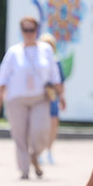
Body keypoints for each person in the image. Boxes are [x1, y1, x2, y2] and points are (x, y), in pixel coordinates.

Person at [0, 16, 61, 179]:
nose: (29, 33)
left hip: (40, 97)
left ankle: (34, 154)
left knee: (41, 131)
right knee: (19, 134)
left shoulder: (46, 49)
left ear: (37, 31)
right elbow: (3, 77)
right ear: (21, 31)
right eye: (25, 30)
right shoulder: (13, 51)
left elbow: (54, 75)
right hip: (17, 98)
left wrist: (61, 96)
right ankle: (24, 170)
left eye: (31, 29)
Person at [38, 33, 67, 165]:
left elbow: (60, 82)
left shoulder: (56, 62)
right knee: (39, 124)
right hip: (38, 97)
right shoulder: (36, 62)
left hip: (52, 96)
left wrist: (61, 96)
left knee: (53, 124)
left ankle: (49, 150)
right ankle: (38, 151)